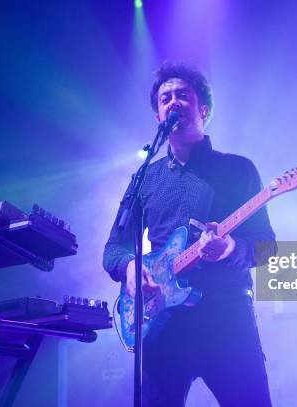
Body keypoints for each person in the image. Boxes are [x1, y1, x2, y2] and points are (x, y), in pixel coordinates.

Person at [103, 62, 276, 407]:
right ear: (158, 115)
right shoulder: (145, 178)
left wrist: (228, 249)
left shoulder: (237, 169)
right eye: (165, 98)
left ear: (204, 109)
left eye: (183, 95)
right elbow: (113, 249)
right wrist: (132, 268)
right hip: (164, 327)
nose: (173, 102)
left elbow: (267, 246)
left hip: (226, 320)